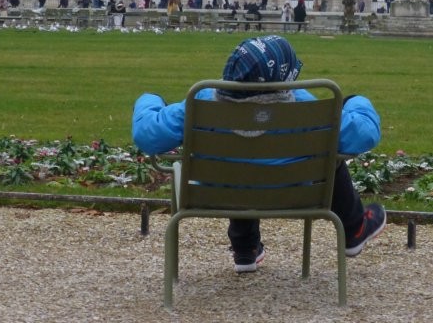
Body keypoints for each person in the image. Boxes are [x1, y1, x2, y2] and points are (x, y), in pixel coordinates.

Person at [131, 35, 386, 272]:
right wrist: (355, 101)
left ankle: (245, 248)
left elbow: (147, 134)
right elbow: (365, 134)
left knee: (236, 163)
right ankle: (354, 228)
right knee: (330, 160)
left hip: (221, 194)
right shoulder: (302, 104)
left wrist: (150, 98)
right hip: (293, 192)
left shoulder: (202, 101)